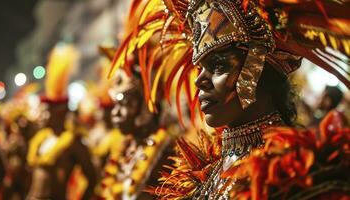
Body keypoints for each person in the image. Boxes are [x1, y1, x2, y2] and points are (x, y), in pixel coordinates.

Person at [110, 0, 350, 199]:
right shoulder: (202, 175)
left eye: (218, 65)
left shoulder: (301, 173)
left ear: (256, 66)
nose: (199, 81)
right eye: (200, 69)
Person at [26, 43, 97, 200]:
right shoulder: (41, 139)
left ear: (59, 113)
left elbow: (92, 177)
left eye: (46, 112)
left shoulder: (74, 143)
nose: (41, 116)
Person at [98, 69, 172, 200]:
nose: (115, 113)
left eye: (124, 104)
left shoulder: (167, 152)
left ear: (145, 107)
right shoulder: (125, 148)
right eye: (115, 105)